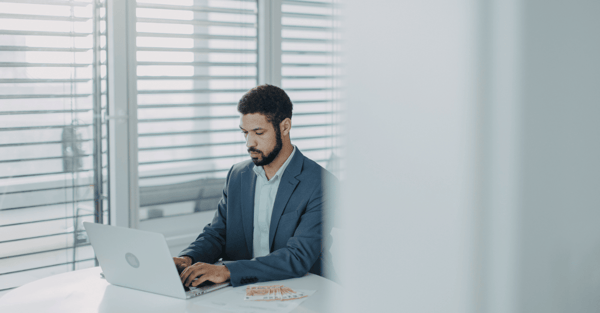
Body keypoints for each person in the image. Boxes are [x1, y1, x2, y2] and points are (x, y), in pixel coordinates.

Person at [173, 84, 335, 288]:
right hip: (246, 290)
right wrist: (189, 258)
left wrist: (227, 271)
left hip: (306, 289)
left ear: (285, 127)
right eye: (245, 133)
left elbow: (298, 257)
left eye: (258, 132)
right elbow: (217, 234)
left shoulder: (321, 183)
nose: (250, 143)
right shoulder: (237, 175)